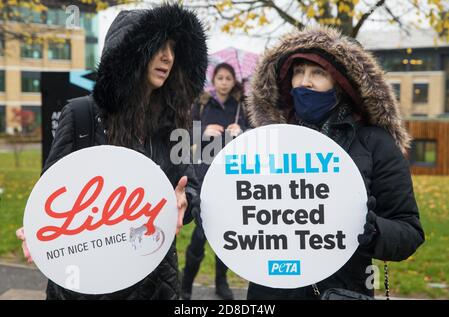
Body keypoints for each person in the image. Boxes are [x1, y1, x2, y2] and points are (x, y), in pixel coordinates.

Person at [15, 4, 208, 300]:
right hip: (90, 277)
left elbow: (189, 185)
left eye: (173, 47)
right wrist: (40, 228)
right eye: (158, 46)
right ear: (128, 54)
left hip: (154, 277)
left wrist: (184, 200)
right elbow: (51, 192)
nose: (168, 57)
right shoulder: (82, 115)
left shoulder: (174, 120)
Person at [244, 26, 425, 299]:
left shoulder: (375, 143)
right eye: (298, 71)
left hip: (342, 289)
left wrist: (374, 230)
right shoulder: (268, 141)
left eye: (318, 73)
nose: (304, 82)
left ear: (341, 83)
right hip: (270, 293)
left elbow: (408, 230)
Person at [181, 63, 248, 300]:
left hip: (231, 176)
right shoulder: (201, 104)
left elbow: (254, 136)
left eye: (228, 78)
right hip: (205, 174)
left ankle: (221, 282)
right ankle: (186, 283)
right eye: (220, 77)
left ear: (233, 81)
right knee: (201, 233)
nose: (224, 82)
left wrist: (242, 131)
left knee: (226, 232)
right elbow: (183, 136)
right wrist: (203, 132)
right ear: (214, 80)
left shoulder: (242, 107)